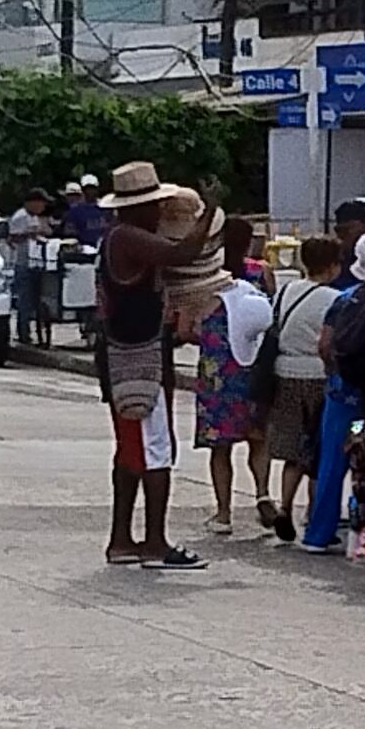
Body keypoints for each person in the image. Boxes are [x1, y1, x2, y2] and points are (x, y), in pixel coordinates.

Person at [92, 162, 199, 572]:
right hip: (138, 356)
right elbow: (181, 253)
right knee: (156, 451)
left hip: (123, 351)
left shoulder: (118, 238)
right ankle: (155, 541)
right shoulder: (129, 238)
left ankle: (123, 538)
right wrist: (210, 217)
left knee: (131, 450)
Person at [302, 227, 365, 553]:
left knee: (332, 462)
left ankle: (318, 534)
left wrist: (336, 375)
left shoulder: (343, 298)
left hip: (341, 389)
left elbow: (325, 345)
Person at [261, 232, 343, 538]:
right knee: (319, 448)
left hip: (284, 372)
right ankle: (313, 513)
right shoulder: (335, 299)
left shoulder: (287, 291)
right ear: (333, 266)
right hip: (318, 375)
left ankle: (285, 506)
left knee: (294, 448)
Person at [196, 216, 272, 538]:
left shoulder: (205, 279)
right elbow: (270, 316)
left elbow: (188, 328)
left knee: (221, 446)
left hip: (217, 372)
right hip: (253, 367)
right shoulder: (261, 272)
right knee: (258, 437)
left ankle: (224, 513)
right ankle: (263, 494)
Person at [2, 188, 58, 346]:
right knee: (24, 300)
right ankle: (23, 333)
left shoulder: (34, 217)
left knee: (36, 299)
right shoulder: (20, 217)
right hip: (23, 263)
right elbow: (12, 237)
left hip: (36, 262)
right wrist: (29, 234)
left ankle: (33, 331)